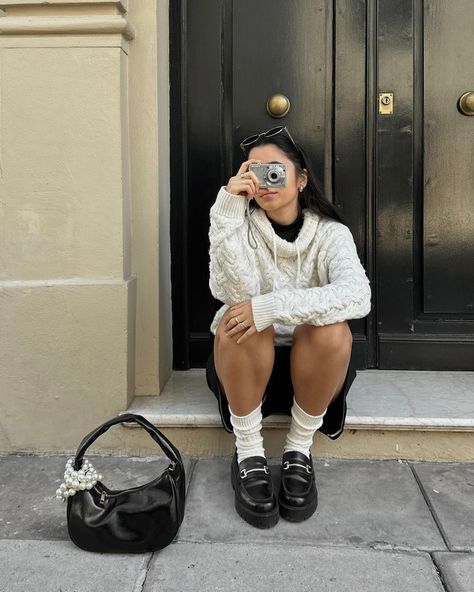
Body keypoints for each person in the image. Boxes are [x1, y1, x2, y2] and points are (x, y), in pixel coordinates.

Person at [205, 126, 372, 529]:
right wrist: (227, 208)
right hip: (245, 370)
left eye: (275, 171)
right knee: (237, 318)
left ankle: (299, 449)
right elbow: (231, 291)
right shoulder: (239, 224)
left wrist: (273, 306)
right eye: (256, 171)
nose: (266, 181)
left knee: (332, 328)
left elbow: (357, 295)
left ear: (300, 179)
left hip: (314, 374)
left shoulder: (332, 234)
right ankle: (248, 452)